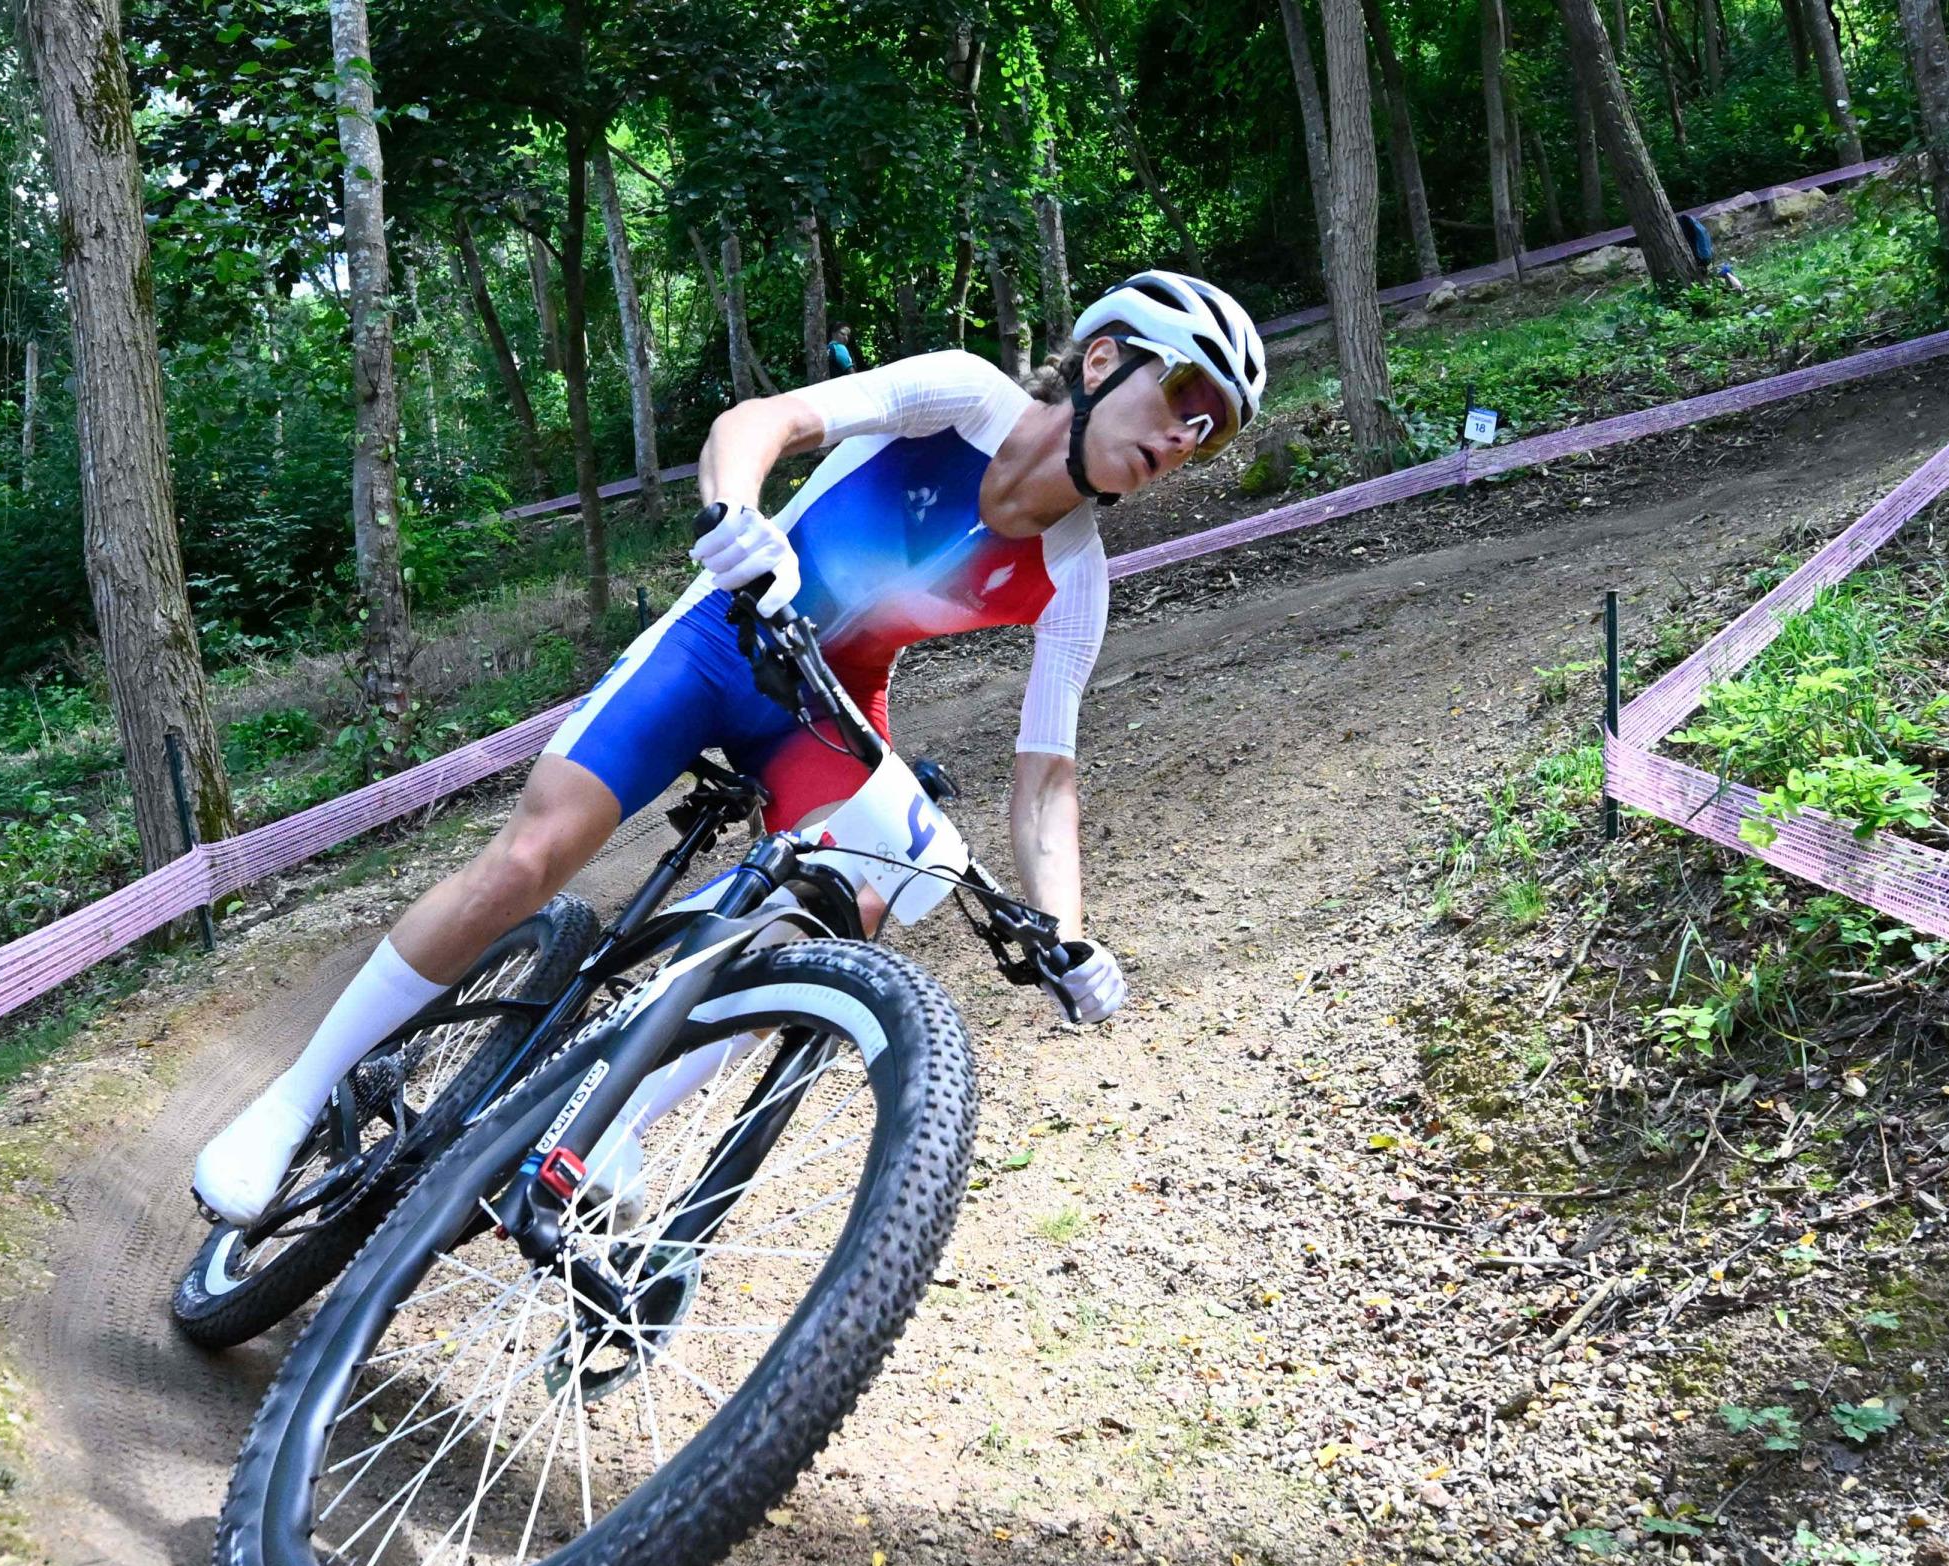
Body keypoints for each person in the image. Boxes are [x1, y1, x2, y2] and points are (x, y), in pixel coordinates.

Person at [191, 269, 1267, 1220]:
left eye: (1209, 429)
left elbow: (1047, 782)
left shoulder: (1079, 576)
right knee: (532, 856)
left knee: (880, 887)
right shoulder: (963, 391)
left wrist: (1065, 934)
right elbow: (762, 421)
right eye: (1183, 397)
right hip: (729, 633)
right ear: (1100, 357)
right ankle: (290, 1104)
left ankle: (613, 1117)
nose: (1185, 437)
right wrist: (738, 514)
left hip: (828, 707)